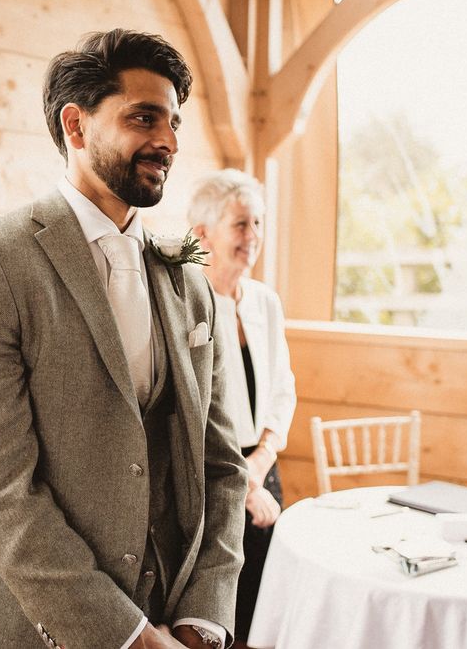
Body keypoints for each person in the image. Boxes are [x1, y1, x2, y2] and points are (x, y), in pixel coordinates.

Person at [0, 28, 248, 649]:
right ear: (76, 126)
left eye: (174, 122)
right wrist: (125, 635)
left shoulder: (189, 281)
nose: (169, 142)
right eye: (144, 118)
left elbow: (221, 465)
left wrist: (204, 616)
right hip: (17, 625)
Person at [187, 170, 296, 649]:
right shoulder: (185, 301)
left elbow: (282, 391)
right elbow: (192, 409)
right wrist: (242, 481)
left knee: (266, 602)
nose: (252, 237)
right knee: (216, 613)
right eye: (239, 225)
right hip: (210, 474)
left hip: (263, 466)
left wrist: (261, 465)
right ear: (202, 234)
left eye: (258, 224)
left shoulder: (266, 302)